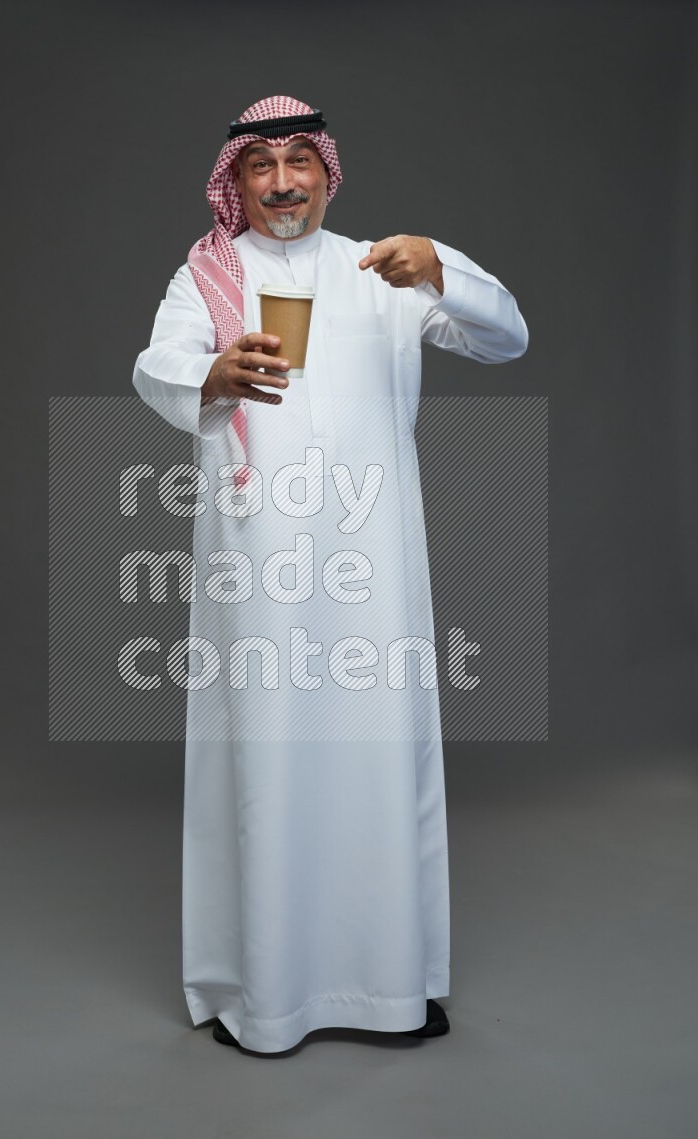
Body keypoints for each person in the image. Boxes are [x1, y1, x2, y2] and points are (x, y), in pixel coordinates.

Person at [132, 95, 528, 1054]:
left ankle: (390, 986)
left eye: (297, 161)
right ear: (238, 180)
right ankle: (265, 994)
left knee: (379, 756)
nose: (281, 183)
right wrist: (211, 377)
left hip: (373, 568)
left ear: (326, 171)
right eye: (260, 165)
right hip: (257, 564)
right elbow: (158, 365)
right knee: (265, 760)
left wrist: (443, 268)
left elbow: (504, 334)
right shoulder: (207, 278)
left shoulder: (378, 271)